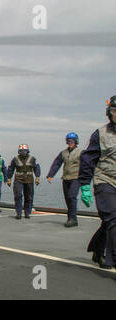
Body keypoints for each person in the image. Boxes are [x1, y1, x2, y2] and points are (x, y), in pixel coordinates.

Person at [78, 96, 116, 269]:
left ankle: (97, 249)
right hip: (105, 180)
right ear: (110, 113)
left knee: (109, 220)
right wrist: (85, 184)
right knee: (114, 218)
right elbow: (88, 159)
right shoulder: (100, 134)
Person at [46, 133, 82, 228]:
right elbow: (57, 163)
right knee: (67, 198)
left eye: (72, 141)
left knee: (72, 197)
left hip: (76, 178)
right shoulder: (63, 153)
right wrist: (50, 175)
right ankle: (70, 217)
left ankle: (73, 219)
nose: (70, 143)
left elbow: (87, 164)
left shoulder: (81, 152)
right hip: (66, 178)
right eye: (69, 141)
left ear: (76, 141)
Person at [7, 144, 41, 219]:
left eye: (25, 151)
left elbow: (36, 167)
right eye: (21, 151)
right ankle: (18, 213)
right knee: (18, 195)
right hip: (18, 179)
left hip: (29, 180)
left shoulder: (32, 159)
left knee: (29, 197)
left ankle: (27, 212)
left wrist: (37, 177)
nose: (23, 152)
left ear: (27, 151)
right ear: (19, 151)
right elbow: (11, 168)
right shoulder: (15, 159)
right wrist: (9, 178)